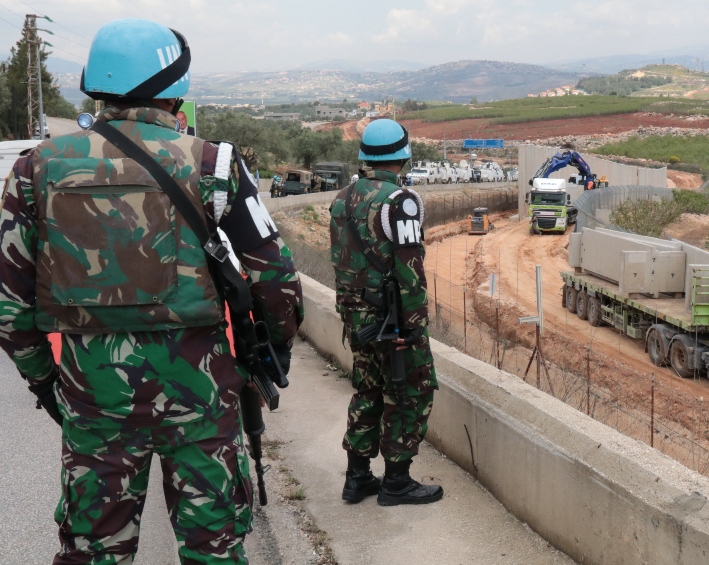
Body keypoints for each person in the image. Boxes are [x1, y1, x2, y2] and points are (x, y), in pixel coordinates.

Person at [0, 19, 303, 564]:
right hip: (203, 398)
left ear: (95, 84)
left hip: (94, 397)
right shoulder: (215, 164)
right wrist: (272, 350)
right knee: (214, 549)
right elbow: (275, 281)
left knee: (92, 551)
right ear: (173, 88)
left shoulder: (35, 169)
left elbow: (7, 304)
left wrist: (49, 385)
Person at [330, 119, 443, 506]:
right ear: (404, 155)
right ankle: (397, 481)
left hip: (356, 318)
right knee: (410, 393)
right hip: (393, 319)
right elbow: (409, 272)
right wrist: (413, 328)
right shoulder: (401, 202)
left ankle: (357, 477)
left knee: (368, 390)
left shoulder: (342, 198)